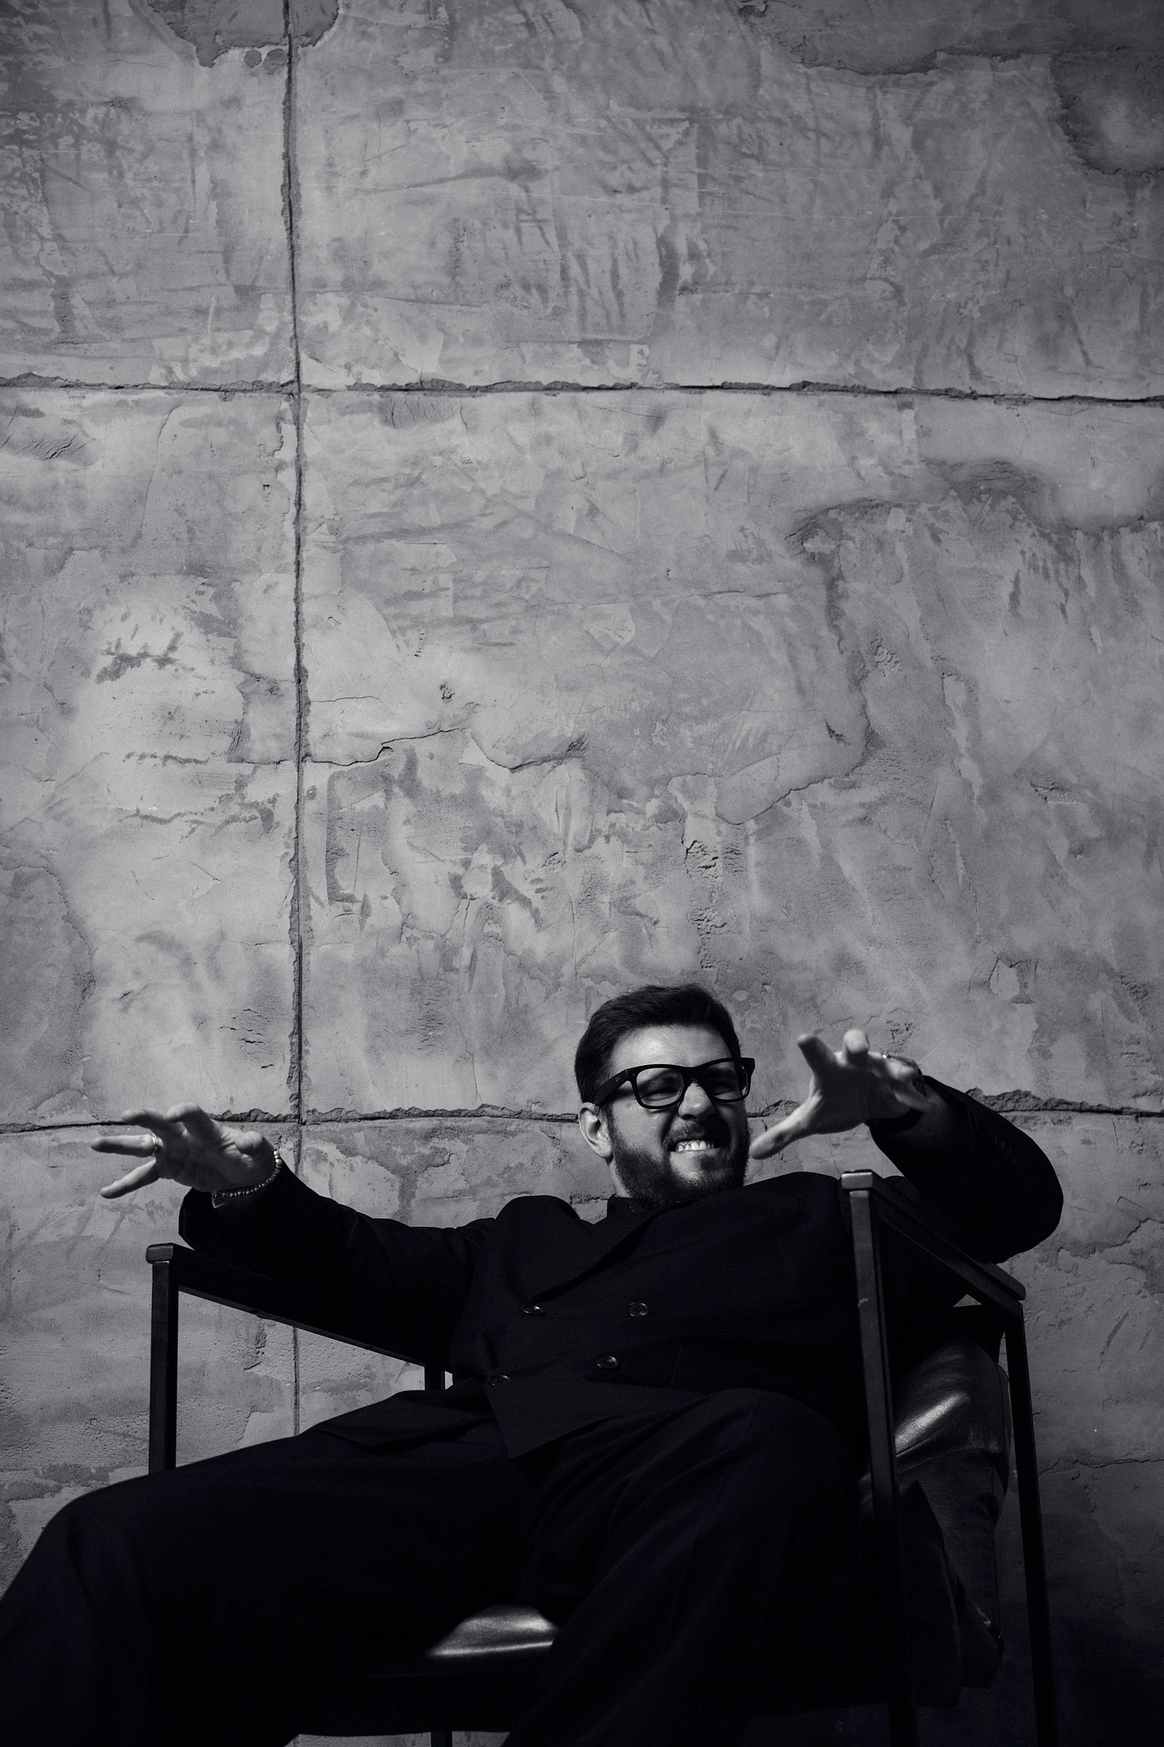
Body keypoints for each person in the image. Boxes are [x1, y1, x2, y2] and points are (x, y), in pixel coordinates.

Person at [0, 983, 1061, 1747]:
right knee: (111, 1538)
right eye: (657, 1085)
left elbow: (1014, 1207)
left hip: (689, 1474)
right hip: (461, 1465)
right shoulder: (523, 1239)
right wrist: (247, 1189)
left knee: (773, 1437)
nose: (696, 1102)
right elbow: (361, 1262)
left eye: (718, 1079)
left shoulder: (829, 1217)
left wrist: (908, 1108)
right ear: (597, 1124)